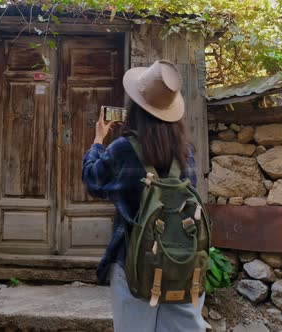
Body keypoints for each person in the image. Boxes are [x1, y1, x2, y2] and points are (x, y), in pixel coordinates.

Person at [82, 60, 206, 331]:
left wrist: (98, 140)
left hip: (134, 261)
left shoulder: (124, 149)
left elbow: (93, 180)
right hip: (181, 261)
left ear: (135, 108)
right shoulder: (187, 152)